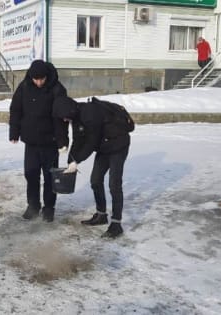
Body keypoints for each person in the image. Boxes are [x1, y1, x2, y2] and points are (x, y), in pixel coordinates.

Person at [52, 96, 131, 238]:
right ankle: (101, 215)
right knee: (95, 180)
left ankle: (116, 223)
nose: (64, 120)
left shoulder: (90, 113)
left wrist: (77, 161)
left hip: (119, 145)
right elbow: (78, 140)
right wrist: (71, 160)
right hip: (104, 147)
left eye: (65, 117)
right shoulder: (76, 117)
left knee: (114, 184)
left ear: (69, 111)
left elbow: (91, 142)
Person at [9, 59, 68, 222]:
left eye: (42, 79)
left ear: (46, 76)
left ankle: (49, 208)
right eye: (36, 79)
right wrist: (14, 131)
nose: (39, 82)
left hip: (50, 141)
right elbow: (15, 109)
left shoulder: (56, 88)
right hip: (31, 142)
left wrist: (63, 141)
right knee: (31, 174)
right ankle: (33, 205)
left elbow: (62, 118)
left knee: (50, 177)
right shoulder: (25, 86)